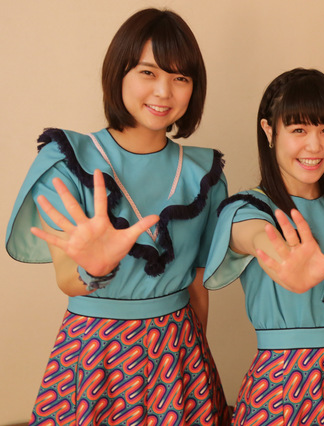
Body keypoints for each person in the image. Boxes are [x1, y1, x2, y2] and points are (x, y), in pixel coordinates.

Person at [5, 8, 231, 425]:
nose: (164, 91)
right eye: (148, 72)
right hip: (95, 357)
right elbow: (67, 278)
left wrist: (195, 361)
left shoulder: (205, 173)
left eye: (180, 78)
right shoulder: (68, 159)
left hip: (180, 356)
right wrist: (95, 267)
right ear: (118, 73)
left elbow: (197, 285)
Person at [203, 68, 324, 425]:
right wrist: (284, 259)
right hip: (282, 384)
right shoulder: (248, 209)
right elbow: (256, 235)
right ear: (269, 131)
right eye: (299, 130)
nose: (315, 146)